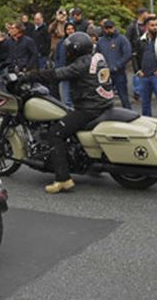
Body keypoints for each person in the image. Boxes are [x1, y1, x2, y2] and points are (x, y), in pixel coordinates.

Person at [20, 32, 114, 193]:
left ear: (75, 50)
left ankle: (63, 179)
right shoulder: (97, 57)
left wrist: (30, 76)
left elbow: (58, 74)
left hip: (89, 108)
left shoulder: (81, 65)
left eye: (69, 50)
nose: (68, 53)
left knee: (56, 133)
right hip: (103, 104)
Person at [133, 16, 157, 122]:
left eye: (156, 25)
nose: (155, 27)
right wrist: (138, 70)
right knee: (145, 103)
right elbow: (135, 56)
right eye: (152, 25)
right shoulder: (140, 40)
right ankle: (148, 124)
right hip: (144, 76)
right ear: (146, 27)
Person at [96, 20, 132, 109]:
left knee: (123, 96)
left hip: (119, 73)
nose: (109, 30)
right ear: (104, 29)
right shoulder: (100, 41)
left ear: (114, 27)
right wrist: (101, 67)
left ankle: (128, 114)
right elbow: (97, 55)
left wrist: (117, 66)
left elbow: (127, 54)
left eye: (110, 28)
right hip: (105, 74)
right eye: (106, 28)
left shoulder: (122, 39)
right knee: (105, 98)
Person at [126, 8, 148, 101]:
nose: (148, 14)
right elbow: (128, 38)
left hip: (146, 51)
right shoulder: (133, 26)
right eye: (146, 13)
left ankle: (143, 89)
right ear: (142, 14)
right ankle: (137, 91)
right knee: (137, 71)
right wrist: (131, 50)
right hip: (136, 51)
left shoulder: (147, 24)